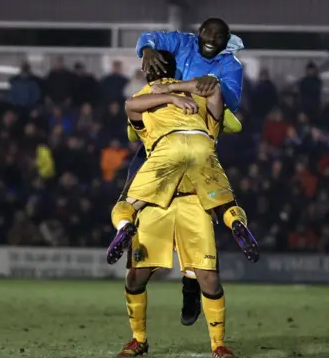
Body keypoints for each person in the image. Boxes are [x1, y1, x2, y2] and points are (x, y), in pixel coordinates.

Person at [128, 18, 245, 326]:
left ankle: (192, 283)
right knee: (143, 164)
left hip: (198, 129)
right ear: (199, 33)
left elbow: (230, 99)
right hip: (166, 130)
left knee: (199, 210)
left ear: (226, 40)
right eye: (208, 32)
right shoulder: (182, 42)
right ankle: (129, 225)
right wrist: (147, 51)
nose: (212, 39)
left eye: (219, 36)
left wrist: (210, 86)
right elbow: (148, 36)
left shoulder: (230, 65)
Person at [107, 51, 257, 265]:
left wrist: (167, 96)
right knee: (226, 205)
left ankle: (124, 226)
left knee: (126, 206)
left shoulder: (147, 94)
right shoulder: (199, 91)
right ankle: (236, 223)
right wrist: (177, 91)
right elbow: (235, 124)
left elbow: (131, 115)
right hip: (202, 148)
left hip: (165, 151)